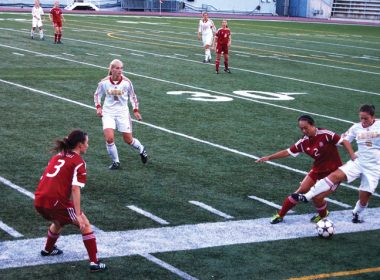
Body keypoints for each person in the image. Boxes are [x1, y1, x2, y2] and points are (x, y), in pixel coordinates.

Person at [256, 115, 356, 224]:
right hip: (317, 171)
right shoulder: (303, 142)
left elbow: (344, 142)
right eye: (301, 129)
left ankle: (323, 215)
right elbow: (287, 152)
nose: (304, 131)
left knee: (317, 198)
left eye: (306, 128)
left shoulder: (326, 135)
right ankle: (280, 215)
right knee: (300, 191)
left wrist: (352, 155)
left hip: (334, 173)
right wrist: (269, 157)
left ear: (313, 125)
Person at [34, 130, 107, 272]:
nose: (88, 145)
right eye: (87, 142)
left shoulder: (58, 156)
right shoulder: (78, 162)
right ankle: (94, 263)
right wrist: (78, 214)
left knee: (59, 221)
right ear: (80, 145)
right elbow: (75, 189)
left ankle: (48, 249)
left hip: (38, 199)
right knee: (85, 225)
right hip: (55, 202)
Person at [294, 105, 380, 223]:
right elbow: (342, 141)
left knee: (364, 197)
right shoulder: (356, 127)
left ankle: (356, 213)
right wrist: (325, 142)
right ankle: (307, 196)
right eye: (361, 118)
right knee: (335, 176)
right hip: (358, 161)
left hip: (374, 167)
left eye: (366, 119)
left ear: (373, 117)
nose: (363, 121)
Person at [94, 59, 148, 170]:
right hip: (108, 112)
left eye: (121, 68)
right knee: (109, 138)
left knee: (128, 140)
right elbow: (97, 95)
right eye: (117, 68)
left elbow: (133, 97)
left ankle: (141, 148)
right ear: (112, 69)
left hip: (123, 113)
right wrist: (98, 108)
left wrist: (136, 111)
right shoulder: (104, 82)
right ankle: (116, 162)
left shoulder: (127, 82)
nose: (120, 70)